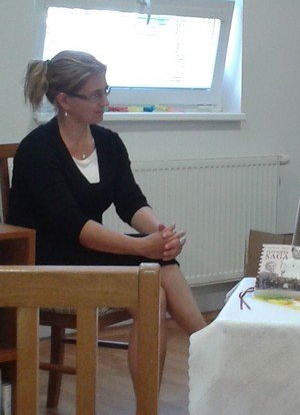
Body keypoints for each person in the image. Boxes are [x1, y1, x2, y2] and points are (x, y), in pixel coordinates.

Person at [8, 50, 207, 396]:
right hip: (45, 261)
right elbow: (75, 226)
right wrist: (143, 247)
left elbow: (131, 202)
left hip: (86, 251)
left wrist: (159, 233)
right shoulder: (37, 150)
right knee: (152, 289)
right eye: (96, 95)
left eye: (105, 91)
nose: (105, 101)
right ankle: (209, 345)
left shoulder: (108, 143)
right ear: (64, 100)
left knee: (160, 269)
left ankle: (206, 343)